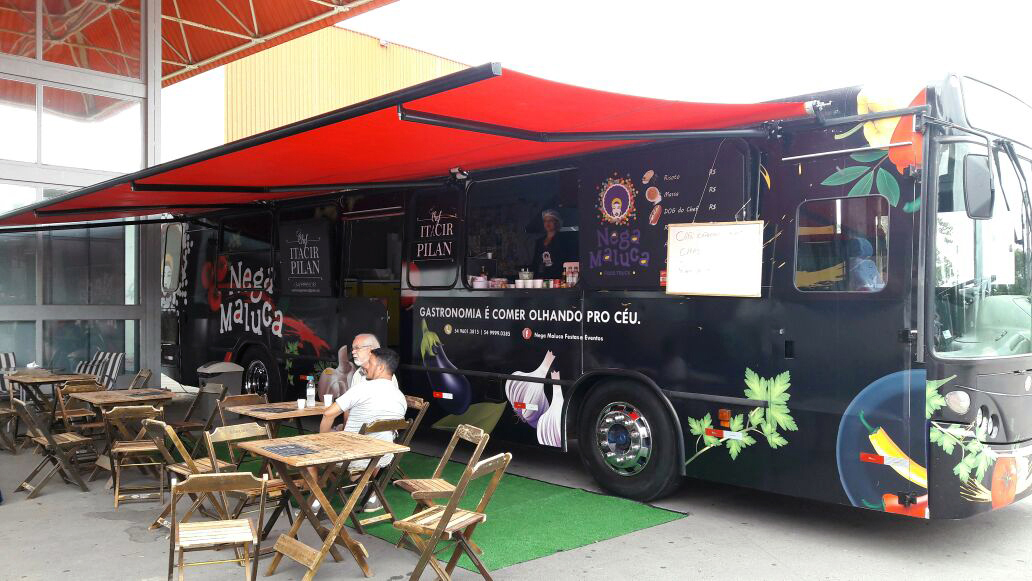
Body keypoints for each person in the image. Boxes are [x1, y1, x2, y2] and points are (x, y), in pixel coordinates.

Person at [313, 347, 406, 511]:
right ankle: (371, 496)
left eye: (370, 362)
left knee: (308, 455)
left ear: (380, 368)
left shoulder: (362, 388)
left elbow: (328, 414)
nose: (365, 366)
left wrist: (322, 441)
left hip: (354, 456)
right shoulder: (400, 397)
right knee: (374, 442)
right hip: (383, 457)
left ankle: (315, 503)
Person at [531, 209, 575, 279]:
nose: (547, 223)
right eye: (545, 221)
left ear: (557, 223)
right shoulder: (539, 242)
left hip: (558, 277)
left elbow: (566, 259)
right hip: (542, 277)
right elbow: (535, 262)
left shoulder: (563, 240)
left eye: (550, 220)